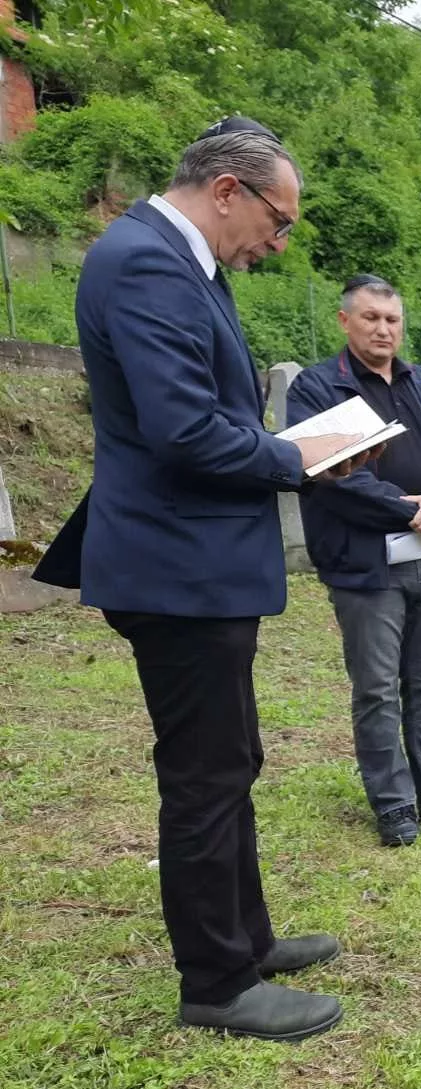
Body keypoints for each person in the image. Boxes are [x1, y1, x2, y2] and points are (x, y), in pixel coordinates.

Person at [39, 117, 371, 1041]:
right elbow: (183, 431)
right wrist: (295, 459)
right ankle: (217, 982)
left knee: (230, 761)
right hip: (176, 562)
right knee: (203, 773)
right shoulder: (146, 262)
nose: (280, 239)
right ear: (228, 190)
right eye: (280, 217)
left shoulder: (184, 263)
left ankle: (246, 937)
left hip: (194, 557)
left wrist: (293, 453)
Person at [286, 275, 421, 848]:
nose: (384, 329)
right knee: (377, 688)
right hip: (364, 564)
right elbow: (327, 474)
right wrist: (407, 510)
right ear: (345, 321)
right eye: (371, 318)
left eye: (392, 320)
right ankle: (394, 803)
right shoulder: (317, 389)